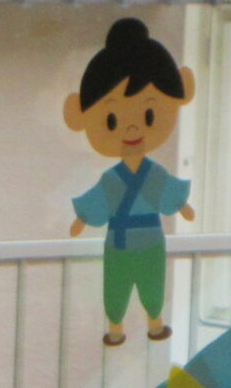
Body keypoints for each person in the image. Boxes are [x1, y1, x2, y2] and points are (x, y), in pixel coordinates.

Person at [65, 17, 197, 347]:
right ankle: (116, 326)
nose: (133, 129)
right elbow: (98, 199)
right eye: (112, 120)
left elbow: (167, 192)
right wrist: (82, 217)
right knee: (117, 285)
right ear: (79, 116)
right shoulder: (112, 179)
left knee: (152, 282)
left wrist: (182, 205)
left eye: (149, 115)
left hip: (150, 239)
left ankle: (155, 321)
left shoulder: (153, 174)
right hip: (119, 242)